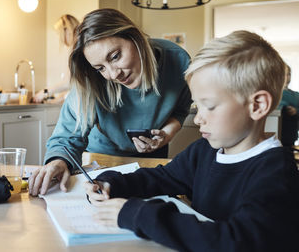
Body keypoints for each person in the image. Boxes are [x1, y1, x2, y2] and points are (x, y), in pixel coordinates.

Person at [85, 31, 299, 251]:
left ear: (257, 106)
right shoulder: (204, 151)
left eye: (210, 106)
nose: (197, 119)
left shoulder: (277, 174)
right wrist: (111, 182)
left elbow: (235, 241)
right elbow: (160, 177)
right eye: (197, 106)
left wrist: (138, 214)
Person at [29, 8, 192, 196]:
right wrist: (58, 161)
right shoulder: (90, 80)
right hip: (103, 159)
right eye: (100, 68)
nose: (114, 75)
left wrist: (166, 134)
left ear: (135, 37)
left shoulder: (178, 60)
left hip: (153, 162)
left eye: (115, 56)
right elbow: (66, 136)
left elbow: (180, 110)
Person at [33, 14, 79, 103]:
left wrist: (44, 92)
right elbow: (74, 85)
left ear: (68, 30)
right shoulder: (78, 48)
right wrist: (56, 100)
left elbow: (68, 82)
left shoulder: (77, 50)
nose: (60, 39)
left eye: (60, 34)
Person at [278, 64, 299, 147]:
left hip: (290, 137)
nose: (286, 77)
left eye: (289, 74)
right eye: (283, 74)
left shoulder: (296, 95)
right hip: (275, 134)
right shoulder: (272, 94)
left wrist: (296, 111)